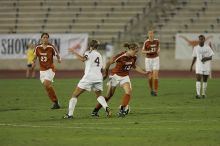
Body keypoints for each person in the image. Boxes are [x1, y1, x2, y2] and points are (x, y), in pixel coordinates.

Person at [91, 42, 148, 117]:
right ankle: (95, 111)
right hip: (115, 76)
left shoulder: (134, 57)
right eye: (135, 51)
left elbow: (134, 66)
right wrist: (106, 73)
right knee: (109, 96)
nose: (136, 53)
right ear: (131, 49)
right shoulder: (120, 56)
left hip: (125, 77)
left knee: (128, 91)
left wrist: (144, 73)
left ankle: (122, 110)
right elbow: (108, 63)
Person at [63, 40, 111, 119]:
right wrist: (105, 75)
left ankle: (70, 115)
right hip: (98, 77)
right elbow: (102, 69)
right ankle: (107, 108)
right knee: (99, 95)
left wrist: (73, 52)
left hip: (89, 77)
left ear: (90, 46)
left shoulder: (88, 52)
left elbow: (82, 59)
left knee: (74, 95)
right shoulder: (99, 55)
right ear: (97, 47)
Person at [32, 33, 61, 109]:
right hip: (42, 71)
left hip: (50, 69)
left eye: (47, 37)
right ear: (41, 38)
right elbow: (35, 57)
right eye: (44, 37)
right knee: (47, 87)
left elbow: (57, 54)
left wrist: (58, 59)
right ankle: (55, 103)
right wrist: (33, 62)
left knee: (46, 84)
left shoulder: (51, 47)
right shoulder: (37, 47)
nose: (45, 39)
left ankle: (55, 101)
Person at [190, 35, 214, 99]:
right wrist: (191, 66)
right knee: (198, 79)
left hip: (206, 66)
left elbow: (211, 57)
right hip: (198, 66)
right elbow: (194, 57)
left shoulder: (207, 47)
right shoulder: (196, 48)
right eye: (200, 39)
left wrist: (206, 58)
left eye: (202, 39)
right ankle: (198, 94)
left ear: (204, 40)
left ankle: (203, 94)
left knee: (205, 80)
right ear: (198, 40)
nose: (201, 40)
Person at [142, 30, 160, 96]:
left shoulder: (157, 41)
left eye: (152, 33)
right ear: (148, 34)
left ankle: (155, 91)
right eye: (149, 33)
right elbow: (142, 51)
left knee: (155, 75)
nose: (151, 34)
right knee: (150, 76)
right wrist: (148, 51)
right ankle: (151, 89)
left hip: (155, 59)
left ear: (153, 34)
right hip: (148, 60)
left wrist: (158, 51)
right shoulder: (146, 42)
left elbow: (158, 49)